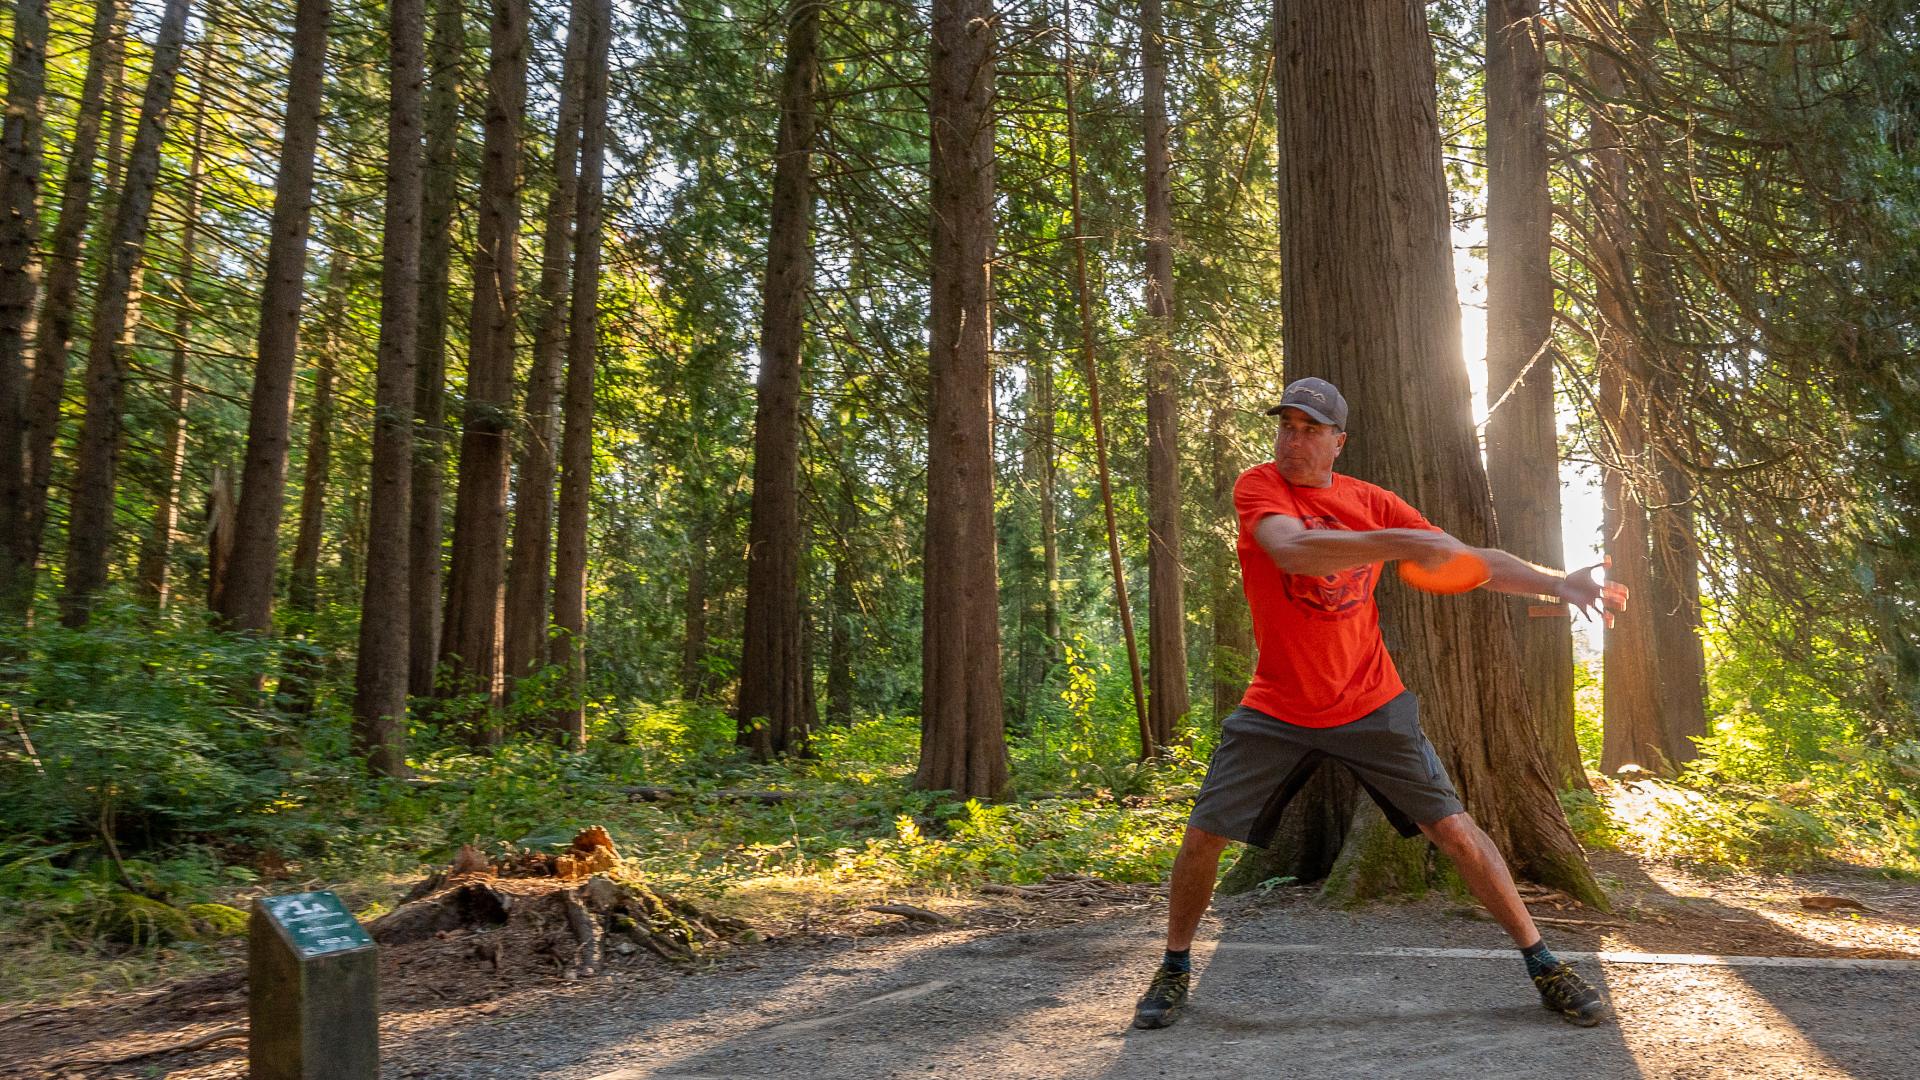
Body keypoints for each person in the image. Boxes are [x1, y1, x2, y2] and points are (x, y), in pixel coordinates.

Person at [1132, 377, 1628, 1031]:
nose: (1294, 439)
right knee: (1203, 838)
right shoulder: (1261, 488)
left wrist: (1554, 582)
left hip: (1371, 701)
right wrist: (1397, 543)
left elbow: (1468, 559)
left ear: (1339, 441)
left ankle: (1544, 965)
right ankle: (1173, 967)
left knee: (1454, 830)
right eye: (1287, 425)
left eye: (1311, 429)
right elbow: (1291, 551)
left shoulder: (1371, 501)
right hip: (1277, 706)